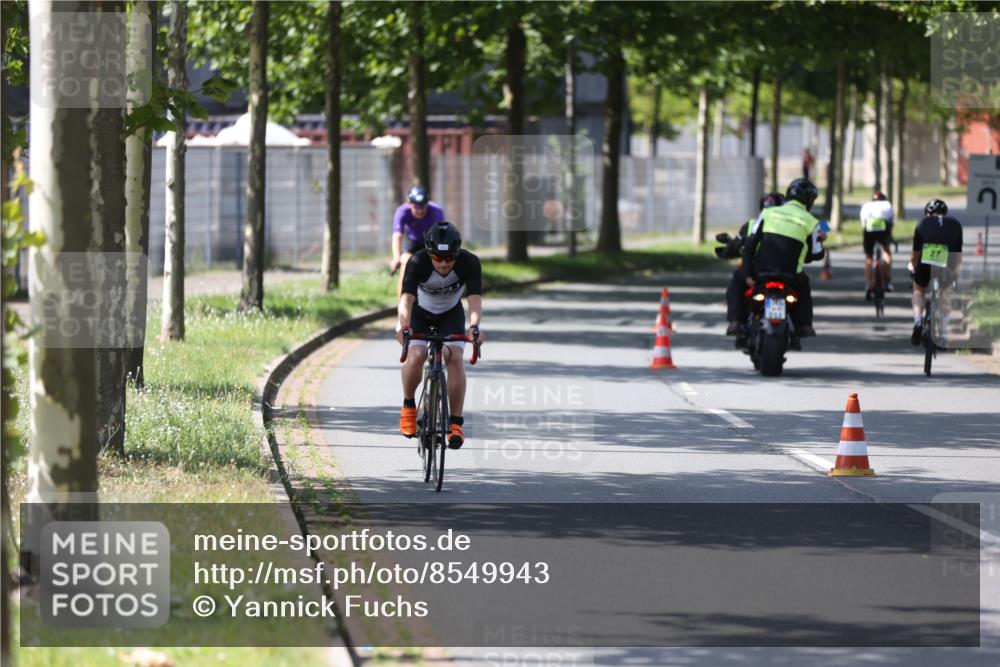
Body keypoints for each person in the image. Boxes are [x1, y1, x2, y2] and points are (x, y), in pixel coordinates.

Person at [396, 221, 483, 449]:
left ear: (457, 253)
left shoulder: (470, 262)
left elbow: (474, 299)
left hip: (450, 314)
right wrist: (403, 325)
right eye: (437, 257)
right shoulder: (418, 262)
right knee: (416, 355)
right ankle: (408, 406)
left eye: (449, 258)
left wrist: (474, 327)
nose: (443, 263)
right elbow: (406, 299)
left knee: (455, 357)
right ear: (429, 253)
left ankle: (455, 423)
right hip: (419, 313)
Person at [743, 178, 825, 341]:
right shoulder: (812, 222)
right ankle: (804, 325)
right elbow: (816, 253)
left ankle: (738, 322)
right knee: (804, 286)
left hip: (761, 271)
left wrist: (747, 272)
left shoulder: (768, 213)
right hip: (791, 275)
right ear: (810, 201)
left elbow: (751, 243)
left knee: (744, 289)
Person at [719, 192, 786, 338]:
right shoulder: (792, 225)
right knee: (801, 287)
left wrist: (726, 251)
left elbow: (737, 246)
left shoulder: (751, 225)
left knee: (737, 281)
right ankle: (803, 326)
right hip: (787, 272)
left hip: (758, 272)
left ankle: (735, 321)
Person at [909, 199, 963, 345]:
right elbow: (958, 255)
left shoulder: (922, 224)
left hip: (926, 260)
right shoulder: (955, 224)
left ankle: (918, 320)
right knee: (946, 292)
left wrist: (912, 266)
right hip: (947, 261)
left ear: (928, 213)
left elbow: (915, 254)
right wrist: (956, 273)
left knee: (918, 290)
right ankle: (944, 333)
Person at [390, 185, 446, 298]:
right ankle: (402, 303)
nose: (420, 211)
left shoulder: (436, 211)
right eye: (416, 207)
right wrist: (396, 258)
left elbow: (442, 236)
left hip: (431, 242)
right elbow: (397, 235)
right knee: (405, 263)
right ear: (409, 204)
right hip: (412, 242)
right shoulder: (402, 211)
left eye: (423, 207)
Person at [860, 190, 895, 299]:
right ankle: (887, 280)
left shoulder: (866, 205)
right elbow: (891, 221)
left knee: (869, 257)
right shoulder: (888, 204)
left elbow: (863, 223)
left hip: (869, 228)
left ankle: (869, 284)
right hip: (883, 228)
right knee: (886, 251)